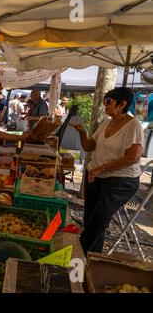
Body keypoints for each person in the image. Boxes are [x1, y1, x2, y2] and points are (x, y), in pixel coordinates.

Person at [71, 87, 143, 255]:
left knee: (98, 218)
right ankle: (92, 259)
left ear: (122, 104)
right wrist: (82, 133)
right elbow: (89, 146)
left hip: (121, 181)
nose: (105, 106)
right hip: (96, 177)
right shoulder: (106, 123)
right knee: (91, 219)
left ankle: (78, 256)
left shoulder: (133, 125)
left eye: (109, 102)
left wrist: (102, 168)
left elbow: (133, 158)